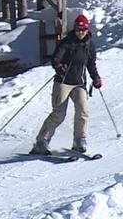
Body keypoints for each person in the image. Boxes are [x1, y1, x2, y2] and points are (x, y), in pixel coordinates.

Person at [30, 14, 103, 155]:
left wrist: (96, 78)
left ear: (87, 29)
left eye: (83, 29)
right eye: (78, 29)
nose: (81, 32)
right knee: (59, 114)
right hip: (63, 82)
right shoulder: (67, 42)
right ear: (74, 29)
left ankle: (79, 140)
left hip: (79, 83)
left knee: (83, 110)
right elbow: (55, 58)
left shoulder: (89, 45)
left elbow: (91, 64)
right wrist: (58, 66)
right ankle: (41, 142)